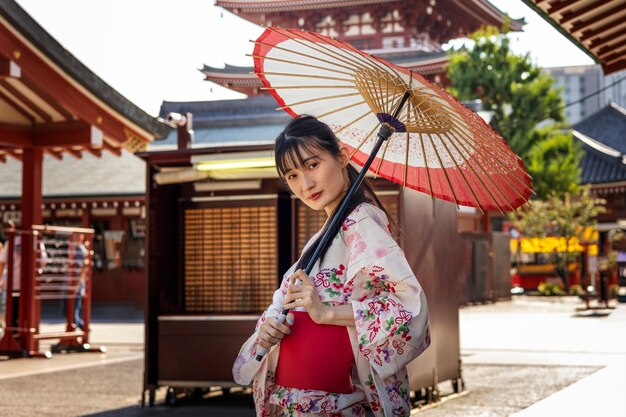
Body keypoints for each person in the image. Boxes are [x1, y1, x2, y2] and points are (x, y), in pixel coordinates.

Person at [233, 116, 430, 417]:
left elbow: (408, 305)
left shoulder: (361, 221)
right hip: (300, 397)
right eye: (293, 175)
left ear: (342, 157)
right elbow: (284, 302)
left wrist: (327, 313)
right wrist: (271, 327)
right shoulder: (323, 236)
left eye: (312, 165)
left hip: (338, 396)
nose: (306, 184)